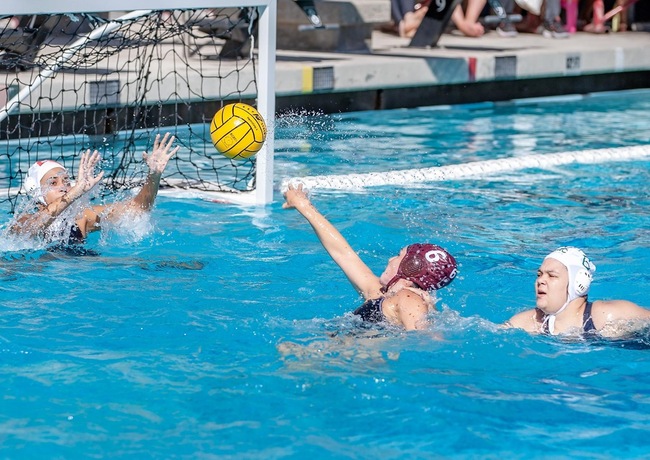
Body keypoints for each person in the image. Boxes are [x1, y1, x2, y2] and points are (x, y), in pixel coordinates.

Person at [282, 183, 458, 331]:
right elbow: (343, 253)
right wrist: (303, 205)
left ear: (410, 268)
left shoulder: (409, 300)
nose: (390, 259)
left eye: (398, 256)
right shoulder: (381, 294)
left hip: (354, 360)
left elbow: (426, 339)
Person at [10, 132, 180, 246]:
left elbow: (137, 210)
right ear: (36, 192)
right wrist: (75, 192)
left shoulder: (81, 218)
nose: (64, 186)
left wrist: (154, 175)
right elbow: (33, 229)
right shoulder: (22, 221)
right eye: (53, 183)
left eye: (67, 181)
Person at [505, 246, 650, 337]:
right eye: (539, 274)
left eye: (552, 275)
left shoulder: (607, 315)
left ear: (579, 282)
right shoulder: (530, 322)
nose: (540, 280)